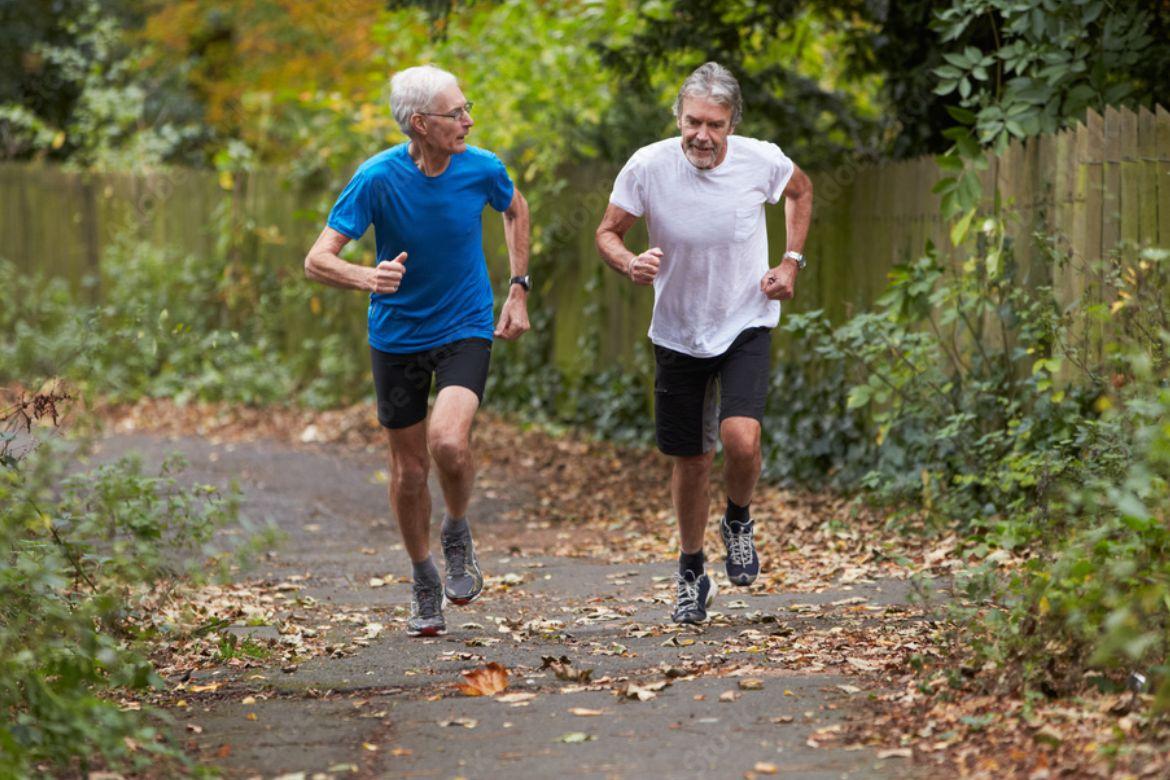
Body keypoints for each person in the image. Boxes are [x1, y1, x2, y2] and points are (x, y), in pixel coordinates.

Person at [304, 65, 531, 637]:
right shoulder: (377, 178)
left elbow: (515, 208)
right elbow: (317, 258)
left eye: (466, 107)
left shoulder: (482, 167)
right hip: (398, 336)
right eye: (456, 113)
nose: (468, 120)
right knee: (408, 471)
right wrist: (366, 278)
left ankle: (456, 530)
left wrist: (518, 288)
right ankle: (423, 575)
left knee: (448, 442)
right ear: (419, 124)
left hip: (465, 324)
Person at [595, 62, 813, 624]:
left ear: (732, 124)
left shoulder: (761, 159)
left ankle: (738, 518)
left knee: (741, 439)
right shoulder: (648, 166)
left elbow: (801, 190)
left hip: (745, 320)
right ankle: (692, 570)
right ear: (678, 117)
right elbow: (607, 232)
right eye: (693, 121)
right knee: (691, 461)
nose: (702, 135)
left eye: (715, 125)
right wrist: (628, 261)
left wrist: (790, 261)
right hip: (677, 328)